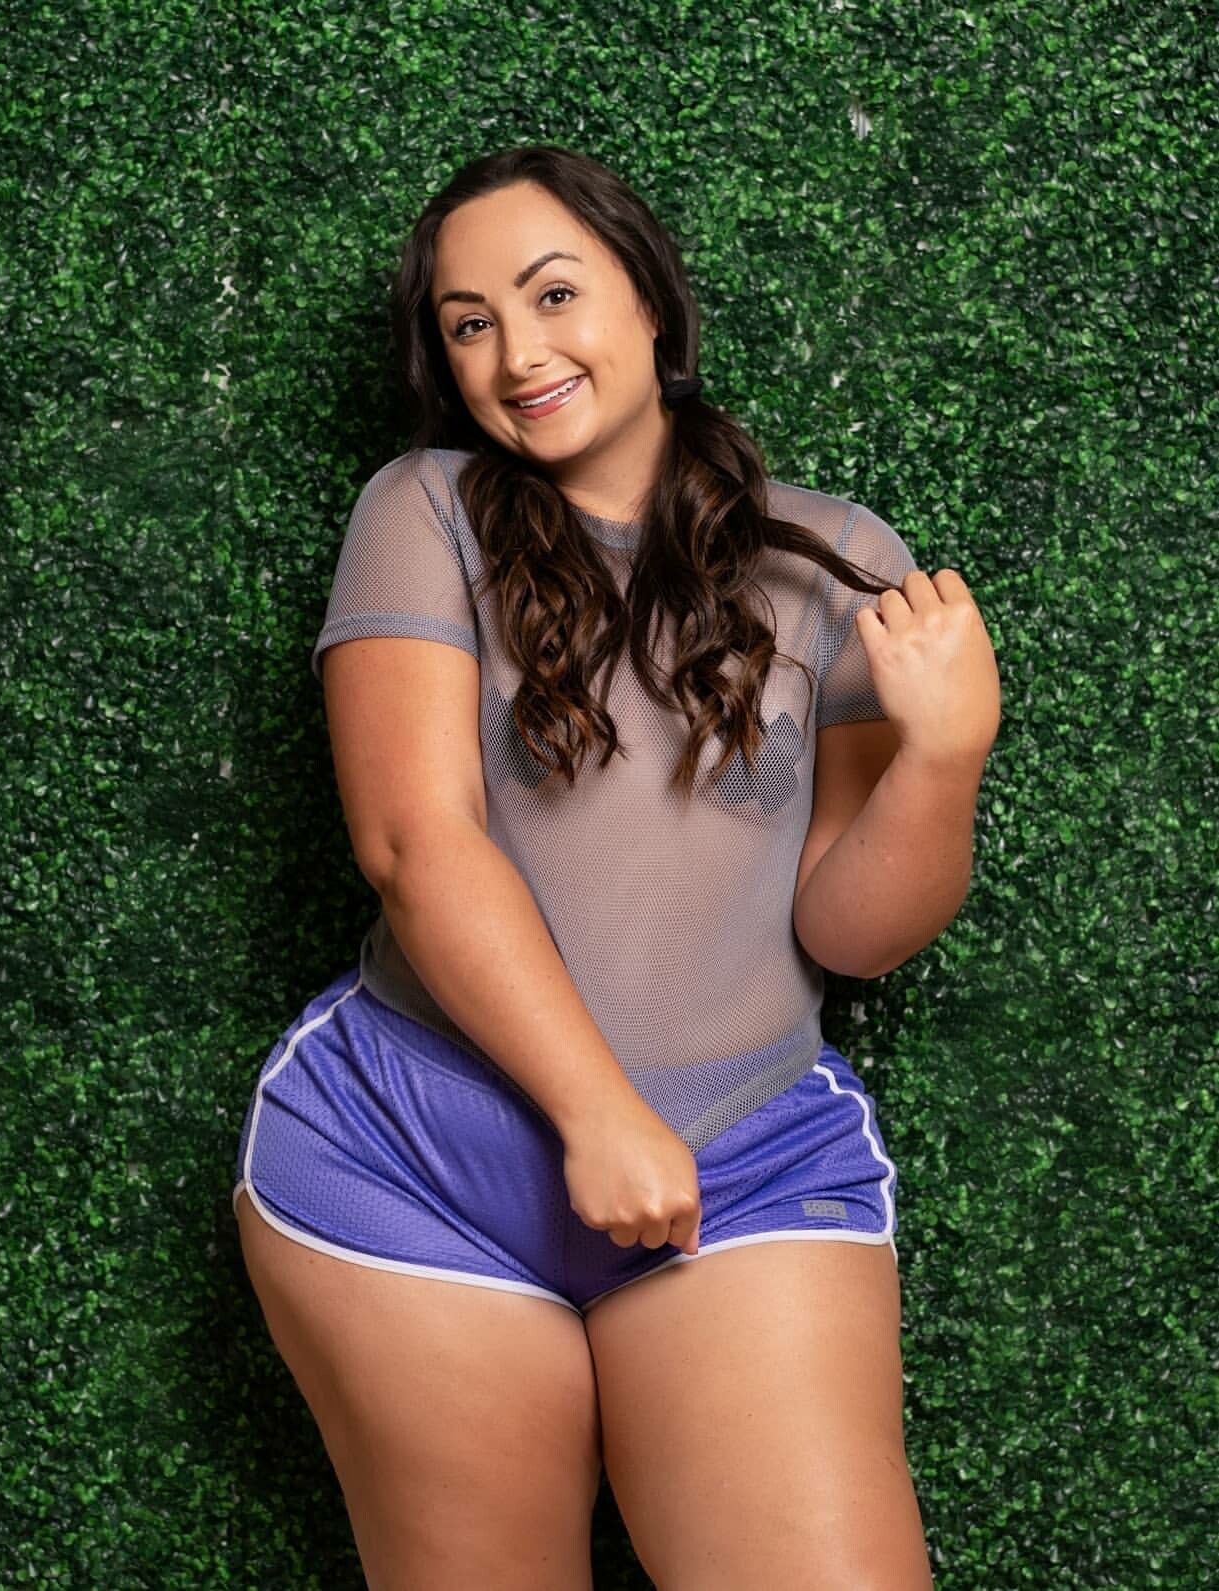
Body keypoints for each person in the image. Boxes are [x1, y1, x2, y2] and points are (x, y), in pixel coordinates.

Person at [231, 142, 999, 1590]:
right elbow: (414, 844)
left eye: (553, 295)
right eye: (469, 323)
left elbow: (851, 933)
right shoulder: (423, 509)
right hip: (413, 1156)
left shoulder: (834, 559)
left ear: (650, 299)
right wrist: (597, 1114)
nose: (517, 355)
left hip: (745, 1159)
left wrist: (943, 758)